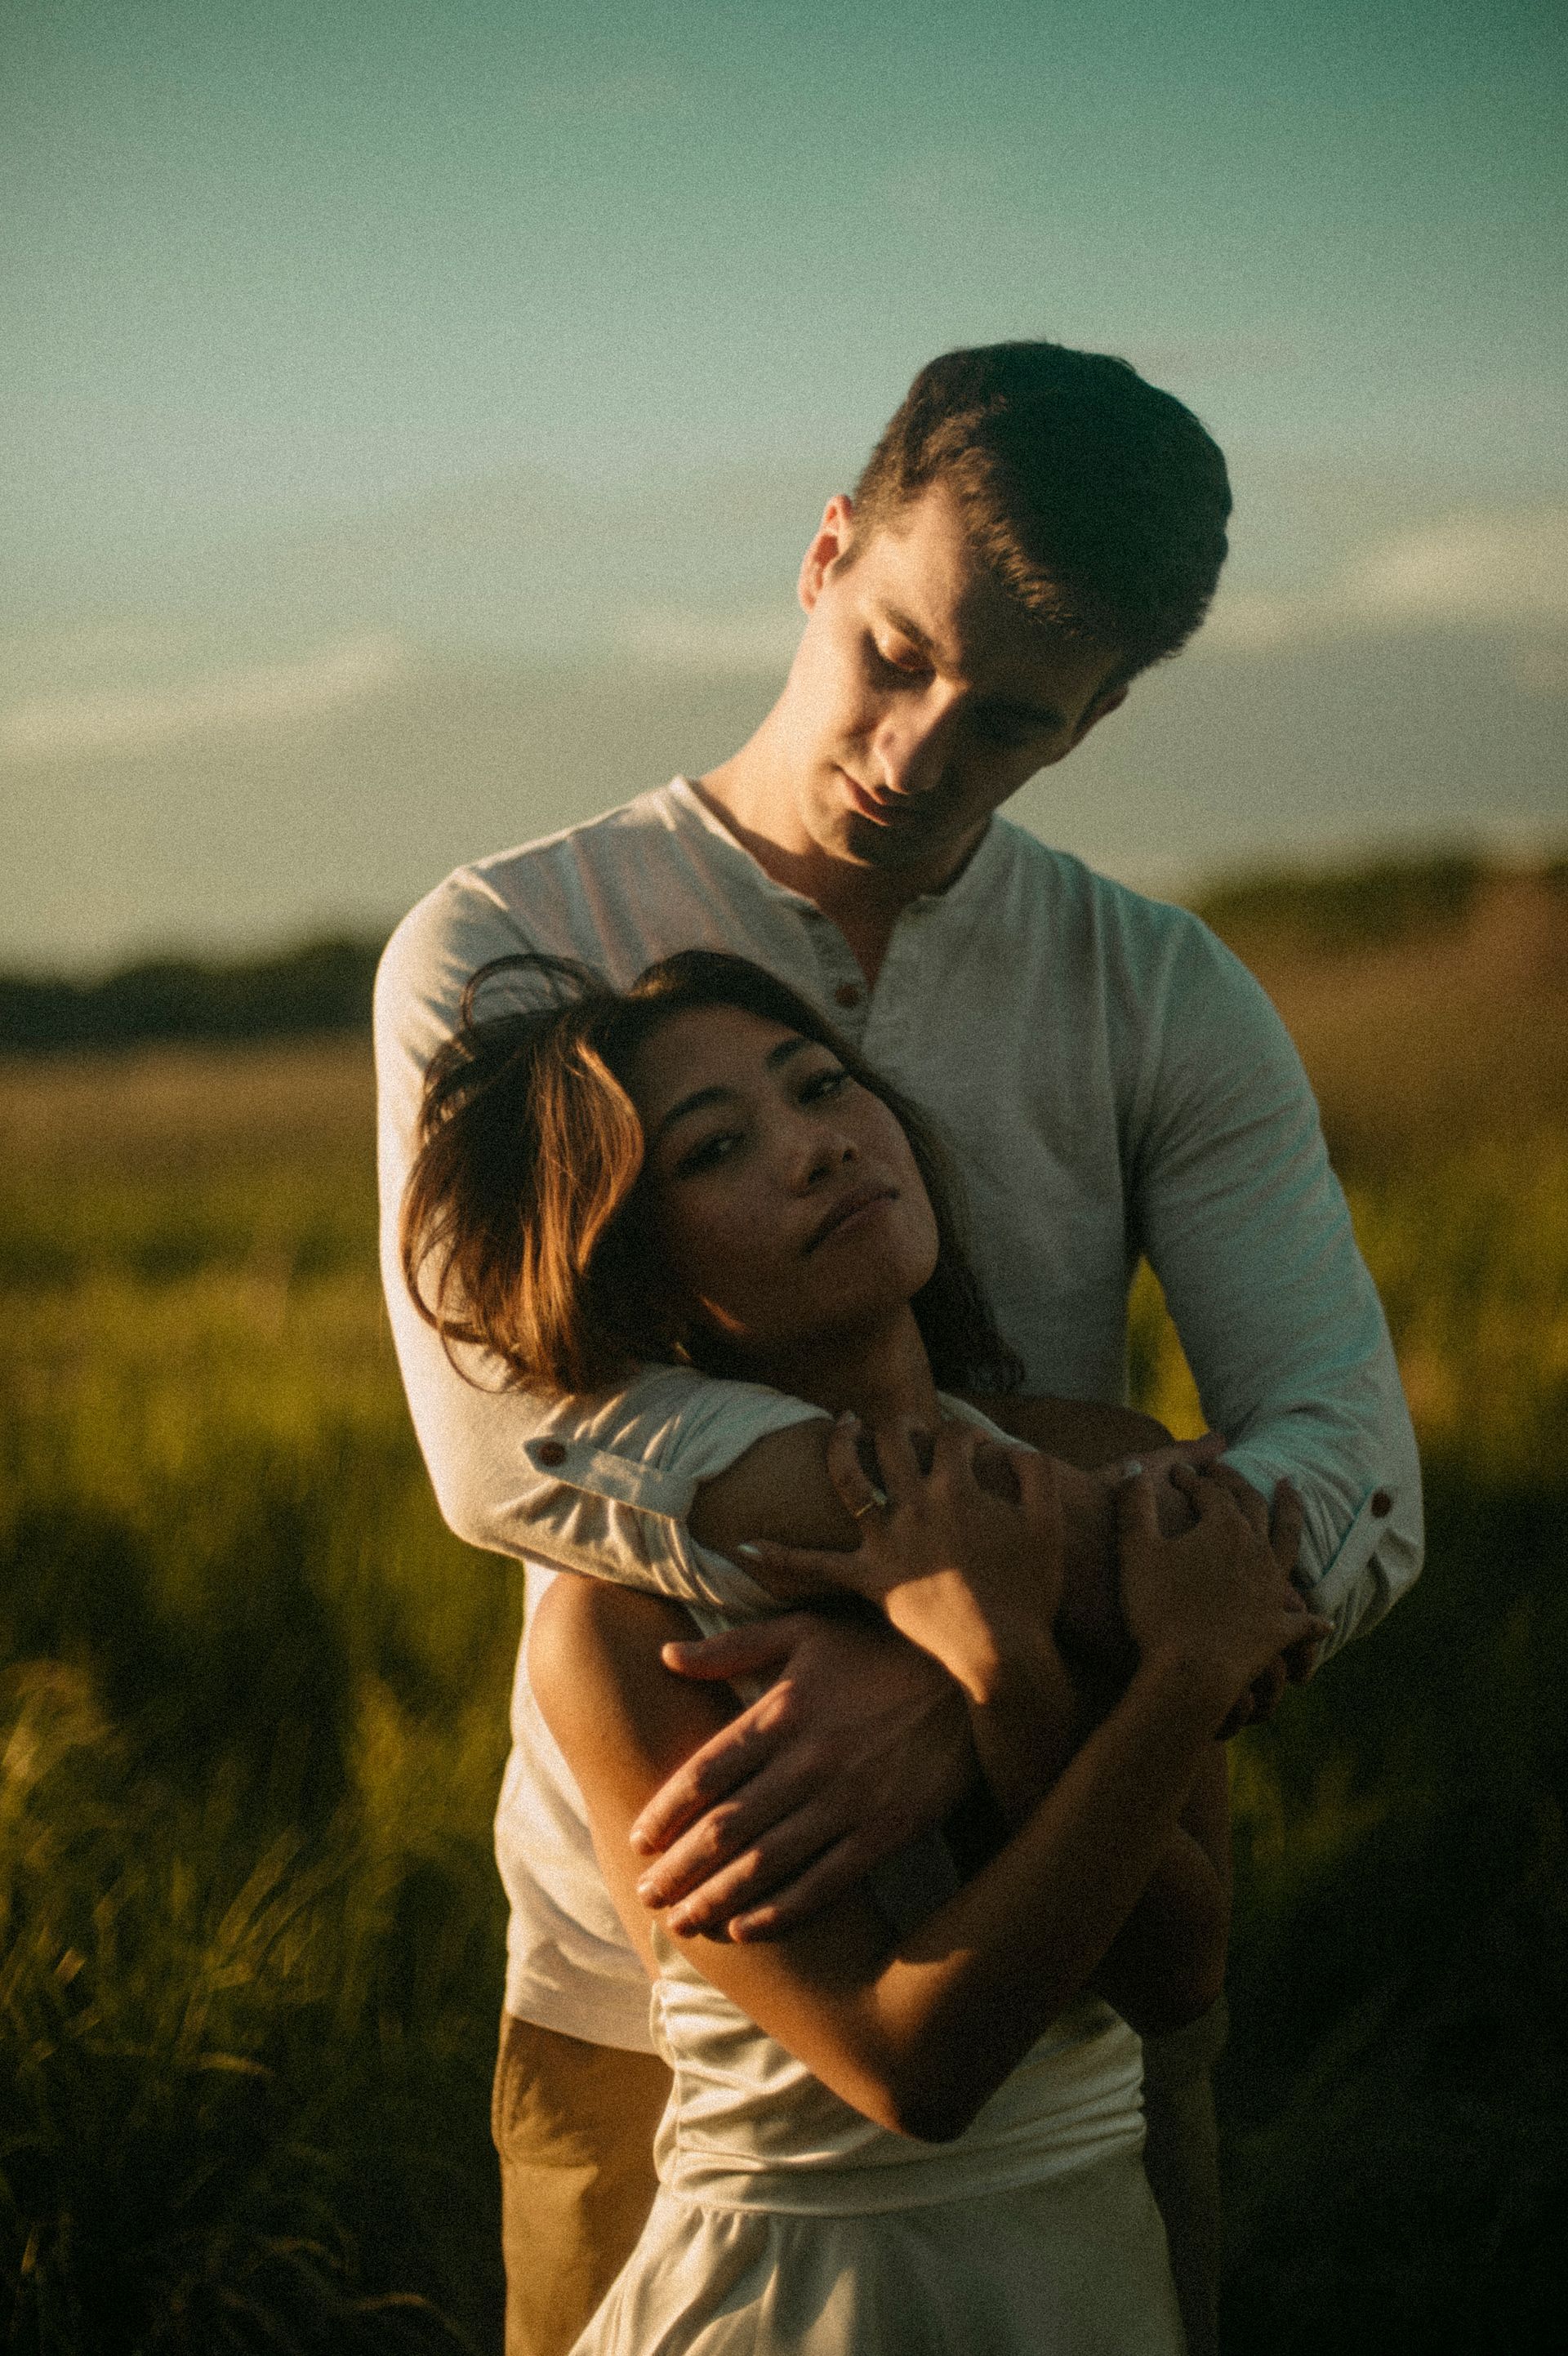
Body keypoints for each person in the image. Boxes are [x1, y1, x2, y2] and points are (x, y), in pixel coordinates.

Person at [374, 340, 1423, 2356]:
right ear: (826, 549)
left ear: (1099, 715)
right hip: (662, 1959)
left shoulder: (1159, 990)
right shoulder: (510, 938)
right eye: (895, 653)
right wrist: (979, 1599)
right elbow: (508, 1450)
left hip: (1095, 1922)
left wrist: (975, 1669)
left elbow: (1356, 1476)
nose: (923, 750)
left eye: (1016, 718)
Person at [399, 946, 1329, 2354]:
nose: (815, 1144)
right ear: (634, 1274)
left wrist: (1004, 1669)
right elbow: (912, 2063)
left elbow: (1177, 1968)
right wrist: (1176, 1675)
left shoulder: (1100, 1463)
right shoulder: (623, 1627)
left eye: (821, 1084)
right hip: (804, 2295)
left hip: (1088, 2280)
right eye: (718, 1147)